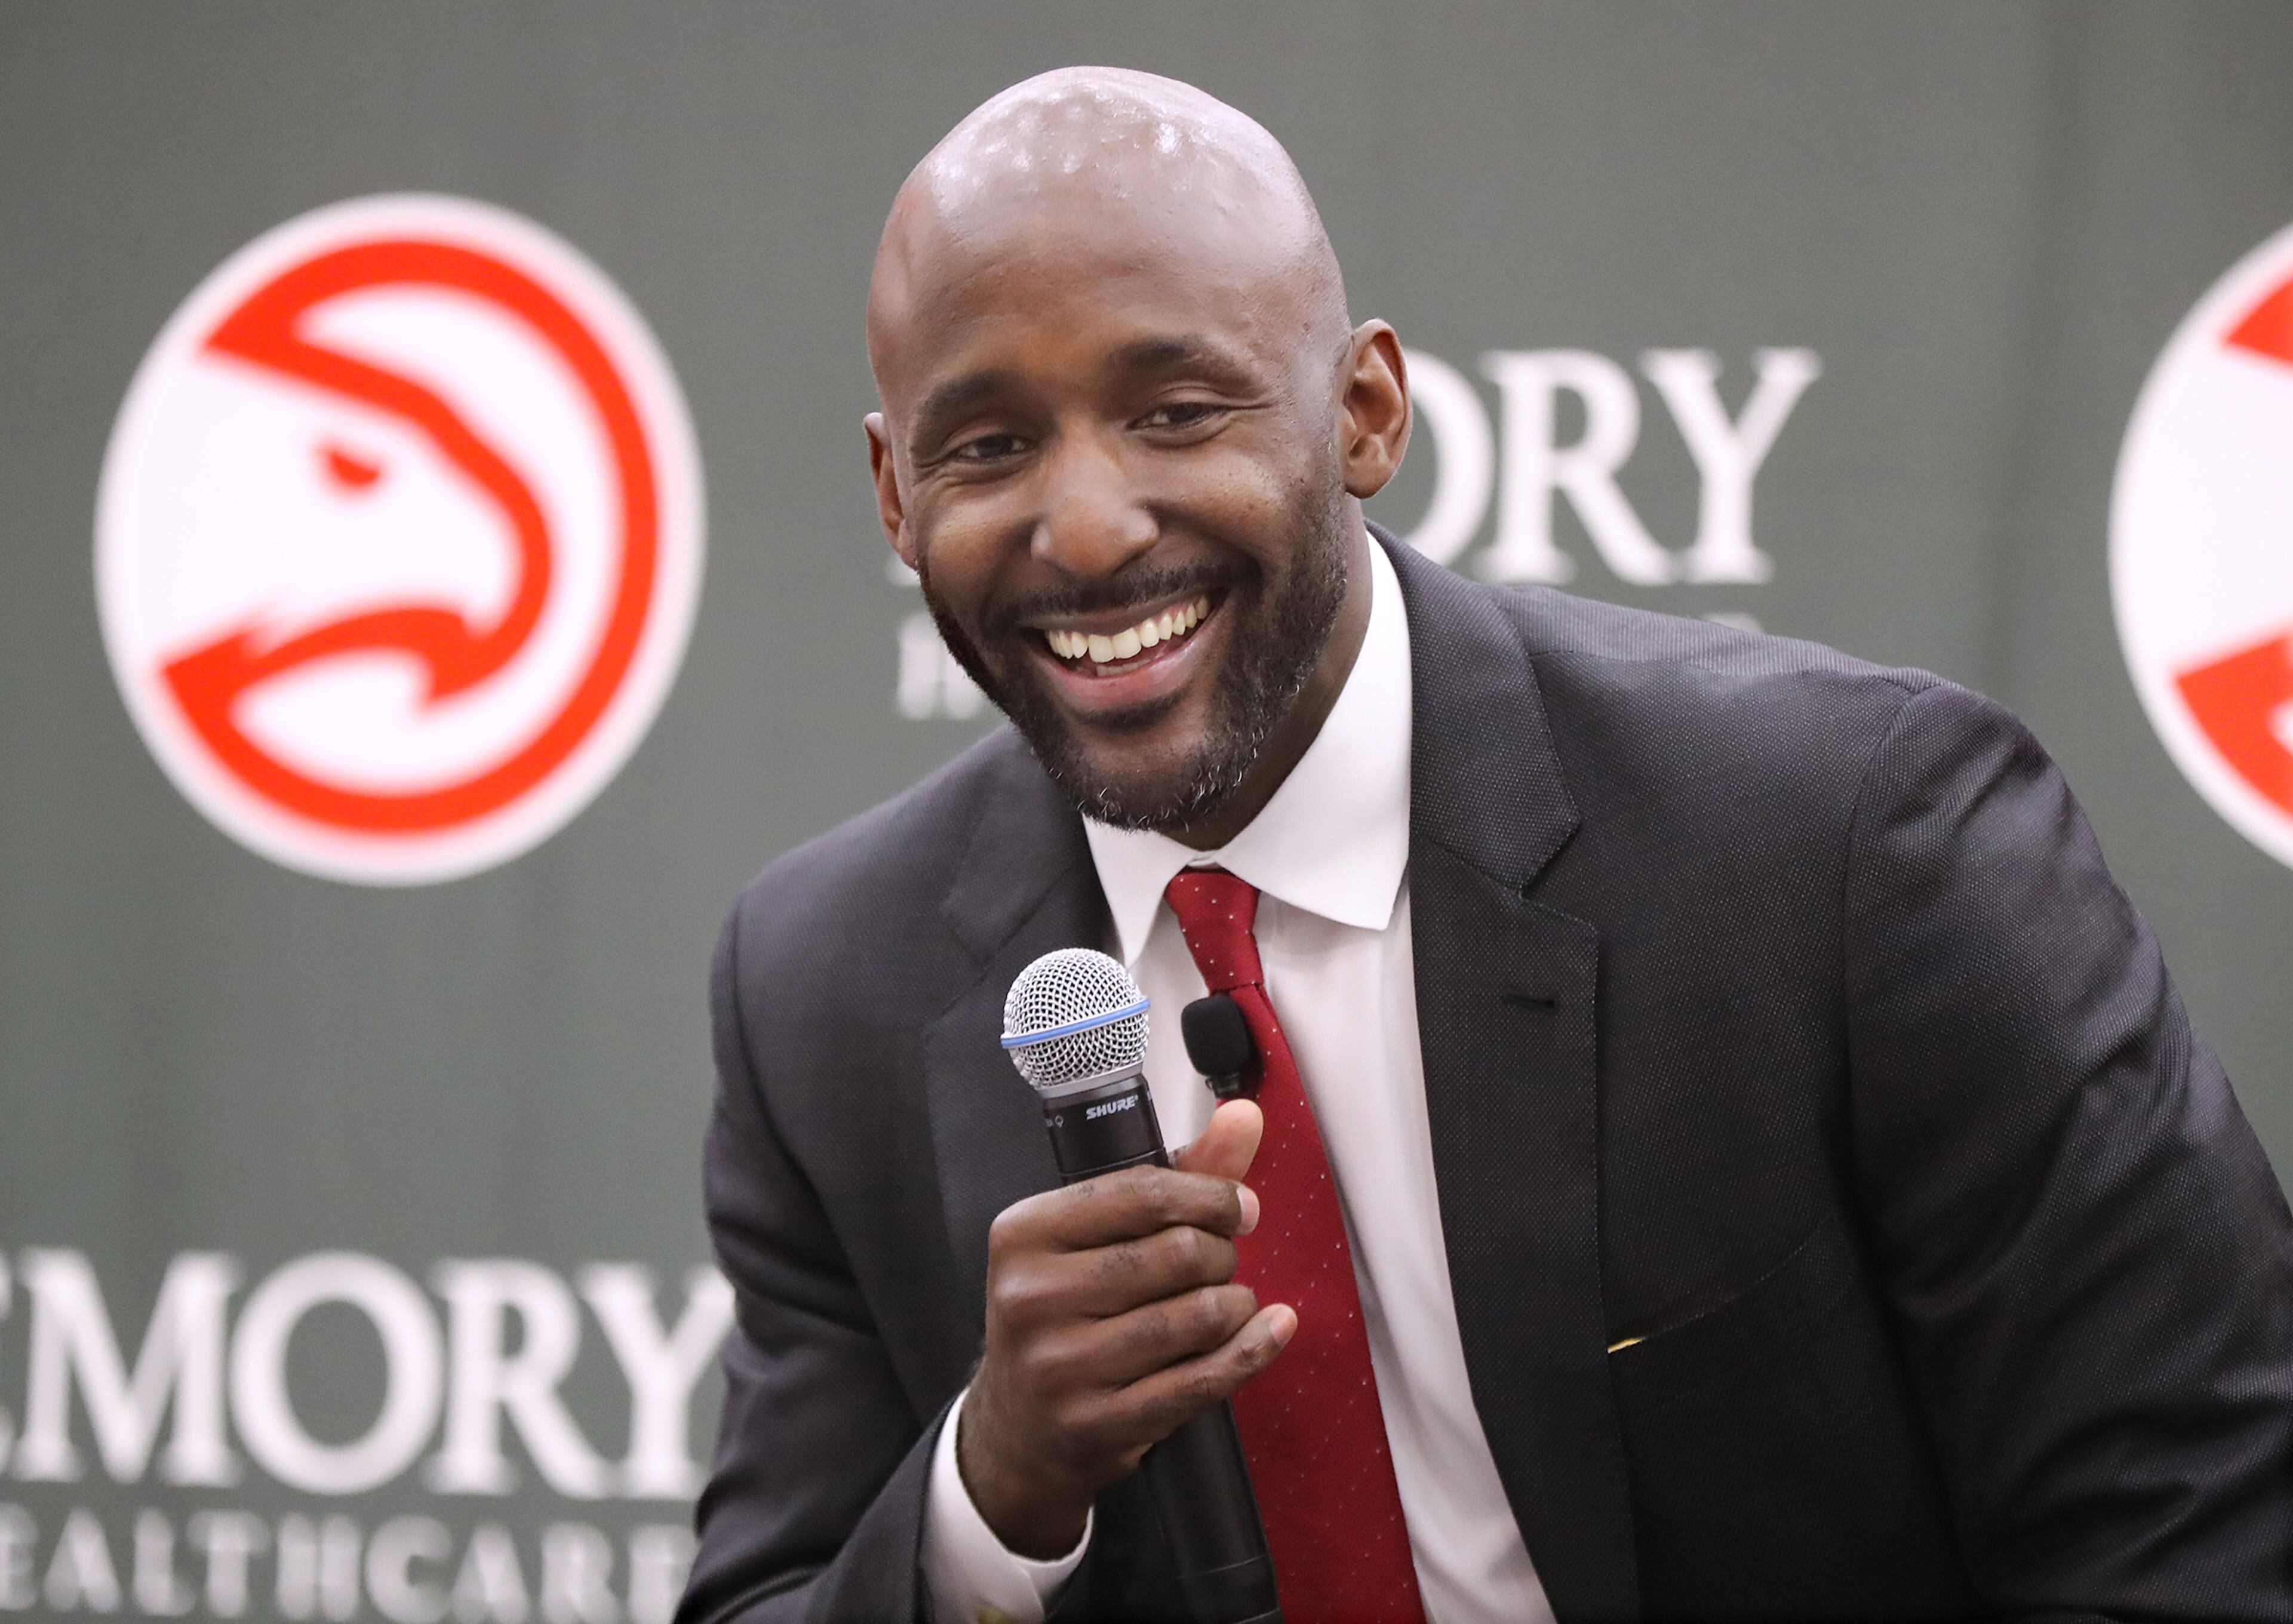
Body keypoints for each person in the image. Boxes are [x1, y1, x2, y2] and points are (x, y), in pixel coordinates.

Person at [679, 67, 2293, 1624]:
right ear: (896, 498)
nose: (1089, 526)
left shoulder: (1854, 840)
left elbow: (2202, 1530)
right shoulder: (822, 985)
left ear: (1365, 413)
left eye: (1175, 411)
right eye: (987, 448)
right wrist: (995, 1489)